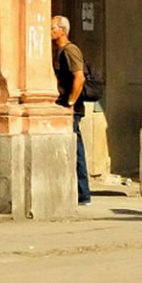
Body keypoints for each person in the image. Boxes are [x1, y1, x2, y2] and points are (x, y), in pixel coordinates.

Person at [50, 15, 91, 206]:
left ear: (62, 31)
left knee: (76, 149)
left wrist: (70, 103)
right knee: (74, 148)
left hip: (72, 109)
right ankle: (80, 193)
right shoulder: (59, 52)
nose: (49, 32)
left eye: (52, 28)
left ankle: (83, 194)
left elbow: (79, 77)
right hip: (66, 106)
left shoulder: (70, 50)